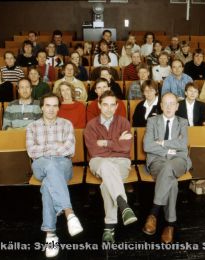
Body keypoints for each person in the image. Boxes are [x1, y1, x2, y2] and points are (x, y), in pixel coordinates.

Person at [26, 92, 83, 258]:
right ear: (42, 107)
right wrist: (55, 147)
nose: (51, 109)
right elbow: (32, 151)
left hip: (63, 164)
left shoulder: (66, 124)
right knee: (50, 165)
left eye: (54, 106)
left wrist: (46, 148)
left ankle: (50, 234)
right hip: (40, 165)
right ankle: (69, 213)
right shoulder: (32, 127)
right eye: (47, 105)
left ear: (58, 108)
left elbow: (70, 150)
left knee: (47, 185)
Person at [84, 90, 137, 243]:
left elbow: (126, 148)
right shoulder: (91, 125)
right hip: (98, 161)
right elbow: (94, 150)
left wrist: (106, 142)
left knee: (107, 183)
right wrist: (117, 142)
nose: (108, 108)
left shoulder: (124, 122)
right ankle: (123, 204)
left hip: (121, 161)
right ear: (99, 105)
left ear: (116, 106)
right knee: (106, 166)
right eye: (105, 105)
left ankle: (109, 226)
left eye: (112, 105)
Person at [142, 92, 191, 244]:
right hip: (157, 161)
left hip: (179, 160)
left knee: (170, 166)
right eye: (165, 103)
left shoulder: (183, 122)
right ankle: (170, 225)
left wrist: (162, 143)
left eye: (172, 103)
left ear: (177, 106)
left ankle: (153, 213)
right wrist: (171, 147)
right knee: (172, 182)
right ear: (161, 105)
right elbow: (147, 146)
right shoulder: (152, 121)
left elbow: (183, 146)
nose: (169, 106)